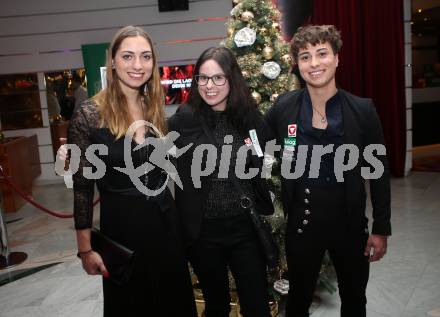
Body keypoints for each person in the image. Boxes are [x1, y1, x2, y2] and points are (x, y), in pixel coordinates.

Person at [66, 25, 196, 317]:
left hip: (165, 224)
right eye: (128, 56)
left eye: (145, 56)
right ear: (112, 61)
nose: (138, 65)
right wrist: (85, 250)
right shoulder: (89, 114)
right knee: (132, 306)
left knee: (174, 302)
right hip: (122, 228)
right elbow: (82, 188)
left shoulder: (153, 108)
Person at [264, 25, 391, 317]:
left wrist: (381, 228)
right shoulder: (284, 107)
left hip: (349, 227)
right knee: (297, 303)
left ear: (336, 58)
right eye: (305, 56)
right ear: (297, 65)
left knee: (355, 300)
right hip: (302, 226)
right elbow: (258, 140)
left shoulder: (362, 110)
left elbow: (379, 173)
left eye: (322, 53)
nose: (314, 63)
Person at [168, 46, 274, 317]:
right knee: (215, 306)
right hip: (204, 233)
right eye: (203, 78)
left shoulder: (250, 119)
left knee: (257, 305)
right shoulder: (183, 120)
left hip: (244, 228)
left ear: (231, 79)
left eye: (218, 78)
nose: (209, 86)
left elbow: (269, 157)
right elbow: (144, 144)